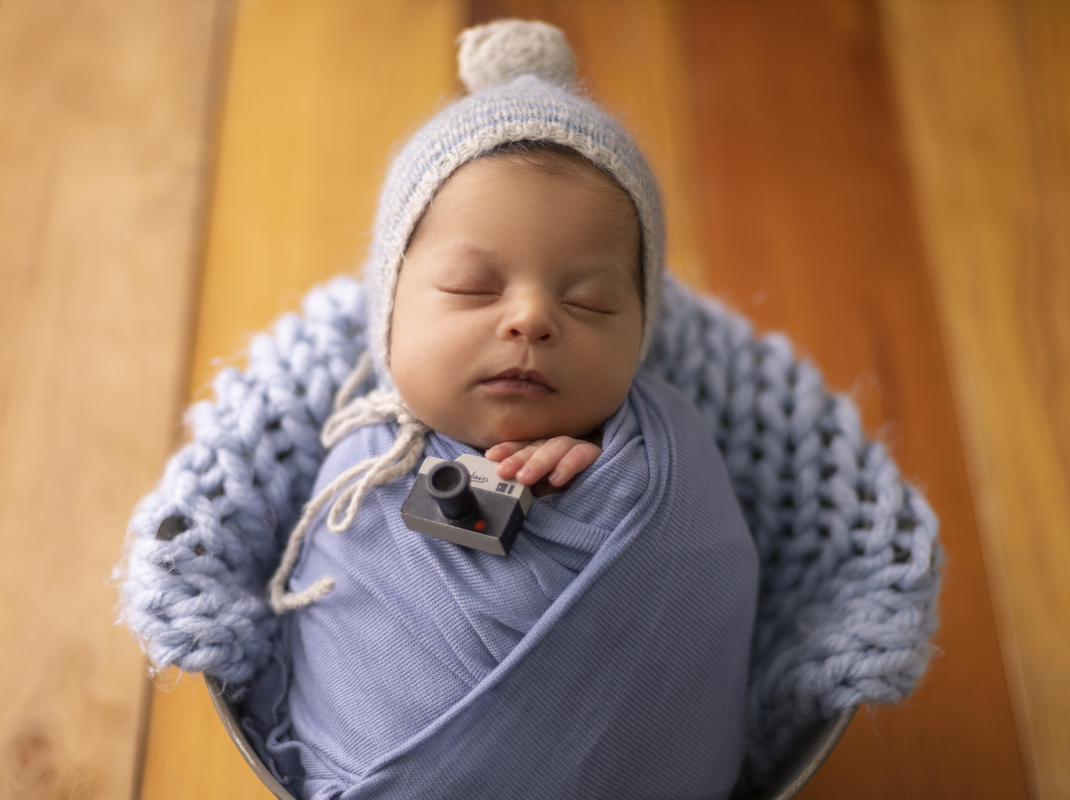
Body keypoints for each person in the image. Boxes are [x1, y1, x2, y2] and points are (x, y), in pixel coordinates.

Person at [243, 20, 759, 800]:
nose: (531, 319)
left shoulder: (663, 453)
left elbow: (698, 582)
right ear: (389, 310)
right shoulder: (363, 459)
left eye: (589, 301)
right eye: (472, 288)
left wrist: (604, 494)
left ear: (642, 333)